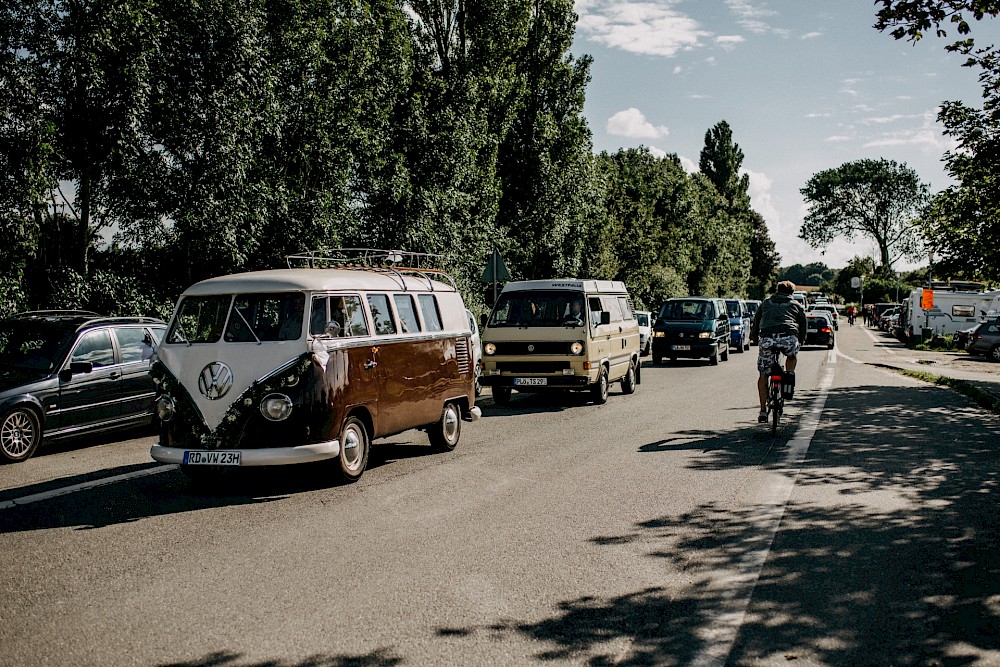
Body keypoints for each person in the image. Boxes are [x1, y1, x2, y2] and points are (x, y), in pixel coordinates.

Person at [751, 280, 807, 423]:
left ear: (777, 290)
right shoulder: (796, 305)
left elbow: (756, 321)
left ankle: (763, 410)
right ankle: (789, 374)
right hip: (788, 339)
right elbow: (803, 324)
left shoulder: (765, 303)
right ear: (792, 293)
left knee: (763, 374)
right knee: (791, 355)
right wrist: (801, 340)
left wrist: (754, 337)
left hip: (767, 339)